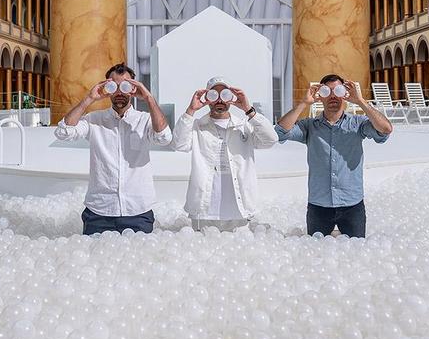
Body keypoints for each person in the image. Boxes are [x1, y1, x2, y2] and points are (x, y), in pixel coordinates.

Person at [54, 62, 171, 235]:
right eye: (113, 86)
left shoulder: (144, 120)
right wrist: (89, 98)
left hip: (138, 211)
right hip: (99, 212)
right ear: (106, 88)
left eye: (125, 86)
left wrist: (148, 97)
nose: (119, 92)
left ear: (133, 89)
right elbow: (63, 132)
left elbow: (164, 138)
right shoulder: (94, 120)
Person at [275, 74, 392, 238]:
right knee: (316, 256)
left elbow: (385, 129)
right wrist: (304, 103)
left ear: (344, 94)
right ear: (320, 96)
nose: (332, 96)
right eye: (326, 91)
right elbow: (280, 132)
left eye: (337, 90)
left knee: (356, 254)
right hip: (319, 206)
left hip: (352, 204)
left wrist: (360, 101)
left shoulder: (357, 124)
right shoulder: (310, 126)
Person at [171, 77, 278, 231]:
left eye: (225, 95)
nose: (220, 100)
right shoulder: (197, 126)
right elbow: (178, 144)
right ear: (208, 98)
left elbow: (271, 139)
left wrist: (248, 109)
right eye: (214, 95)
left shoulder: (244, 126)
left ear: (232, 97)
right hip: (204, 210)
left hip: (239, 211)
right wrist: (191, 110)